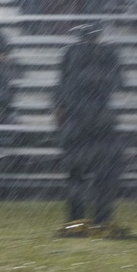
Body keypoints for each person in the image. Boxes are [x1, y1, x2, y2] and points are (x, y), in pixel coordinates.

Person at [53, 22, 126, 236]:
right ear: (98, 36)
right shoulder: (108, 53)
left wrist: (59, 112)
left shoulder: (70, 53)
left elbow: (61, 86)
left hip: (75, 118)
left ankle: (75, 219)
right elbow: (119, 83)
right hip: (101, 118)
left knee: (75, 173)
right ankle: (103, 218)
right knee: (104, 173)